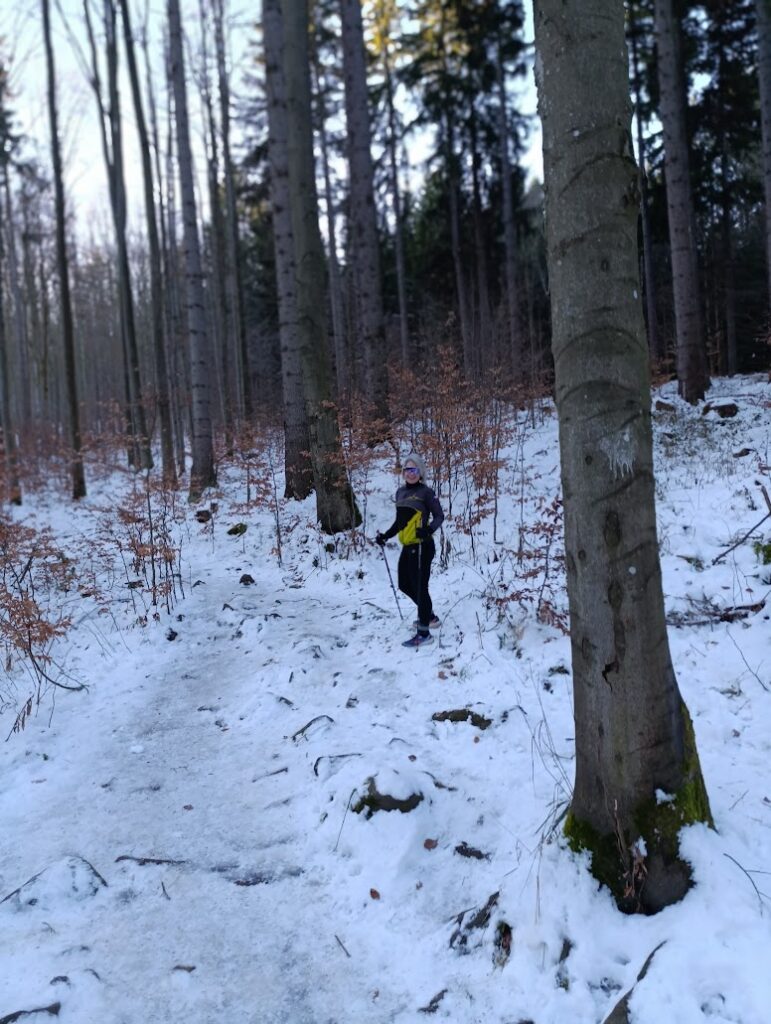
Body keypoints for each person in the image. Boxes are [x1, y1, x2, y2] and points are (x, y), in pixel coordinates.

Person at [376, 452, 444, 648]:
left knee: (421, 587)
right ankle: (428, 615)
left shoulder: (426, 493)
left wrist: (428, 530)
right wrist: (386, 536)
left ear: (420, 472)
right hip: (408, 546)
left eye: (414, 470)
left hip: (423, 545)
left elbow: (439, 516)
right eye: (407, 469)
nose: (410, 473)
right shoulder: (400, 493)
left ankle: (424, 633)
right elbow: (400, 522)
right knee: (404, 584)